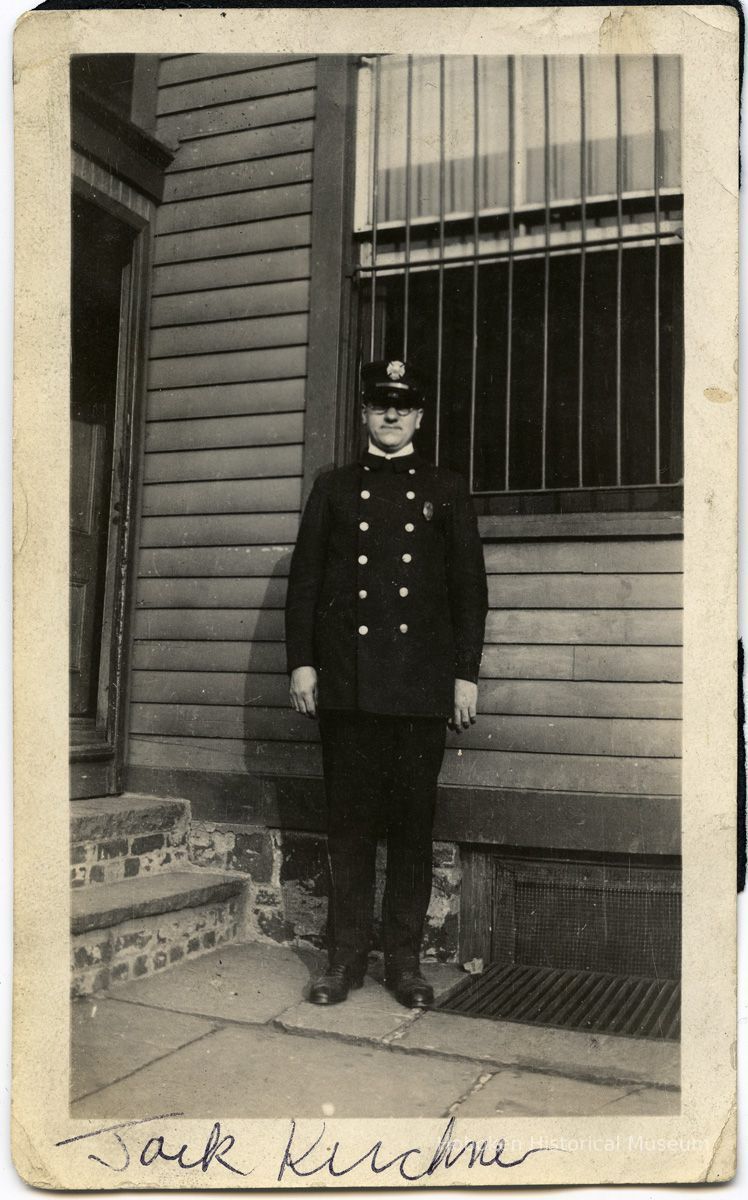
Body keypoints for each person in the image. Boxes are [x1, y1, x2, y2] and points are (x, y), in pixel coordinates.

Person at [285, 359, 488, 1008]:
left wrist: (464, 676)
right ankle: (342, 962)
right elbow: (306, 584)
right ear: (365, 415)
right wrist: (303, 663)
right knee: (348, 830)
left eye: (403, 407)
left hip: (420, 691)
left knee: (410, 830)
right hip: (349, 687)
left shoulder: (447, 488)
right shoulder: (335, 488)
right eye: (380, 406)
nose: (392, 416)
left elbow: (468, 591)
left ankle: (403, 964)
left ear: (420, 418)